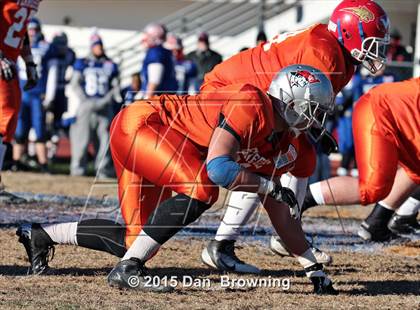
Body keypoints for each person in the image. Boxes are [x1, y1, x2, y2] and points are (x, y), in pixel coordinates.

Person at [17, 65, 339, 295]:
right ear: (289, 101)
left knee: (137, 241)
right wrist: (269, 186)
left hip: (168, 144)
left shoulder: (287, 144)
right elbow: (219, 169)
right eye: (312, 109)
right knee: (202, 186)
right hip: (145, 124)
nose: (316, 119)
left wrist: (313, 267)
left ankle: (41, 235)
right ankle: (128, 270)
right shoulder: (251, 103)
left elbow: (280, 213)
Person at [199, 0, 391, 272]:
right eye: (372, 41)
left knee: (302, 159)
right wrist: (313, 128)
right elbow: (299, 103)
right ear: (349, 33)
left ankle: (286, 235)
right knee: (270, 161)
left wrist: (316, 130)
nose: (377, 50)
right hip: (231, 92)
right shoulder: (325, 53)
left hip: (257, 96)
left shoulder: (338, 52)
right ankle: (224, 244)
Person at [301, 78, 420, 242]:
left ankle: (379, 222)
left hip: (397, 112)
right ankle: (300, 199)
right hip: (381, 110)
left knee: (416, 169)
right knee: (371, 188)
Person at [0, 0, 41, 202]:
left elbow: (20, 29)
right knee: (5, 115)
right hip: (3, 62)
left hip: (10, 63)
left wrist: (29, 61)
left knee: (10, 120)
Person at [69, 33, 119, 178]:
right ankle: (78, 169)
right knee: (81, 139)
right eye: (96, 45)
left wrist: (106, 100)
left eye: (100, 45)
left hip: (104, 106)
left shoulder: (110, 64)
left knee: (104, 140)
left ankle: (103, 170)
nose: (99, 48)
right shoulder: (82, 62)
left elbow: (115, 86)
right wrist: (85, 100)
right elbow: (75, 83)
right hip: (86, 106)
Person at [13, 18, 50, 173]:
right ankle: (15, 162)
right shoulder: (17, 43)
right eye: (30, 29)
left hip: (36, 94)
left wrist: (49, 95)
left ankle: (43, 164)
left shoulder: (46, 47)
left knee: (40, 130)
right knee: (19, 130)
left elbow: (53, 69)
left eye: (35, 29)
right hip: (22, 93)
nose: (33, 33)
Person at [140, 23, 177, 99]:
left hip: (159, 98)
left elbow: (154, 80)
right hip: (167, 96)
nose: (144, 38)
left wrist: (147, 98)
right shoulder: (163, 51)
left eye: (148, 35)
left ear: (154, 37)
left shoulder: (155, 52)